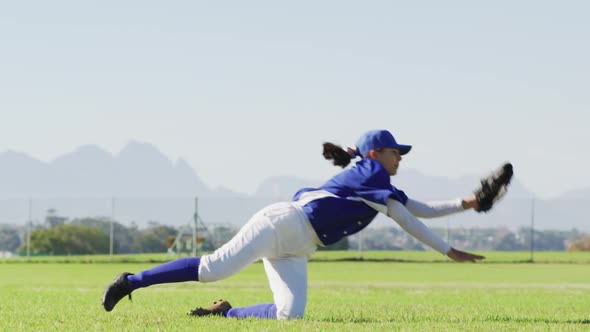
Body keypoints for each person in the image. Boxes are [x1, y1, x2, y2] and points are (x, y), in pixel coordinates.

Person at [102, 129, 487, 320]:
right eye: (394, 152)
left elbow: (413, 209)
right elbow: (407, 218)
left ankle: (226, 314)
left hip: (298, 245)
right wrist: (447, 250)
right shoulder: (372, 172)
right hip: (282, 224)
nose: (399, 157)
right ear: (375, 154)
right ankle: (130, 281)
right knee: (212, 269)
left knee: (290, 315)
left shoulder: (374, 181)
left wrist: (465, 203)